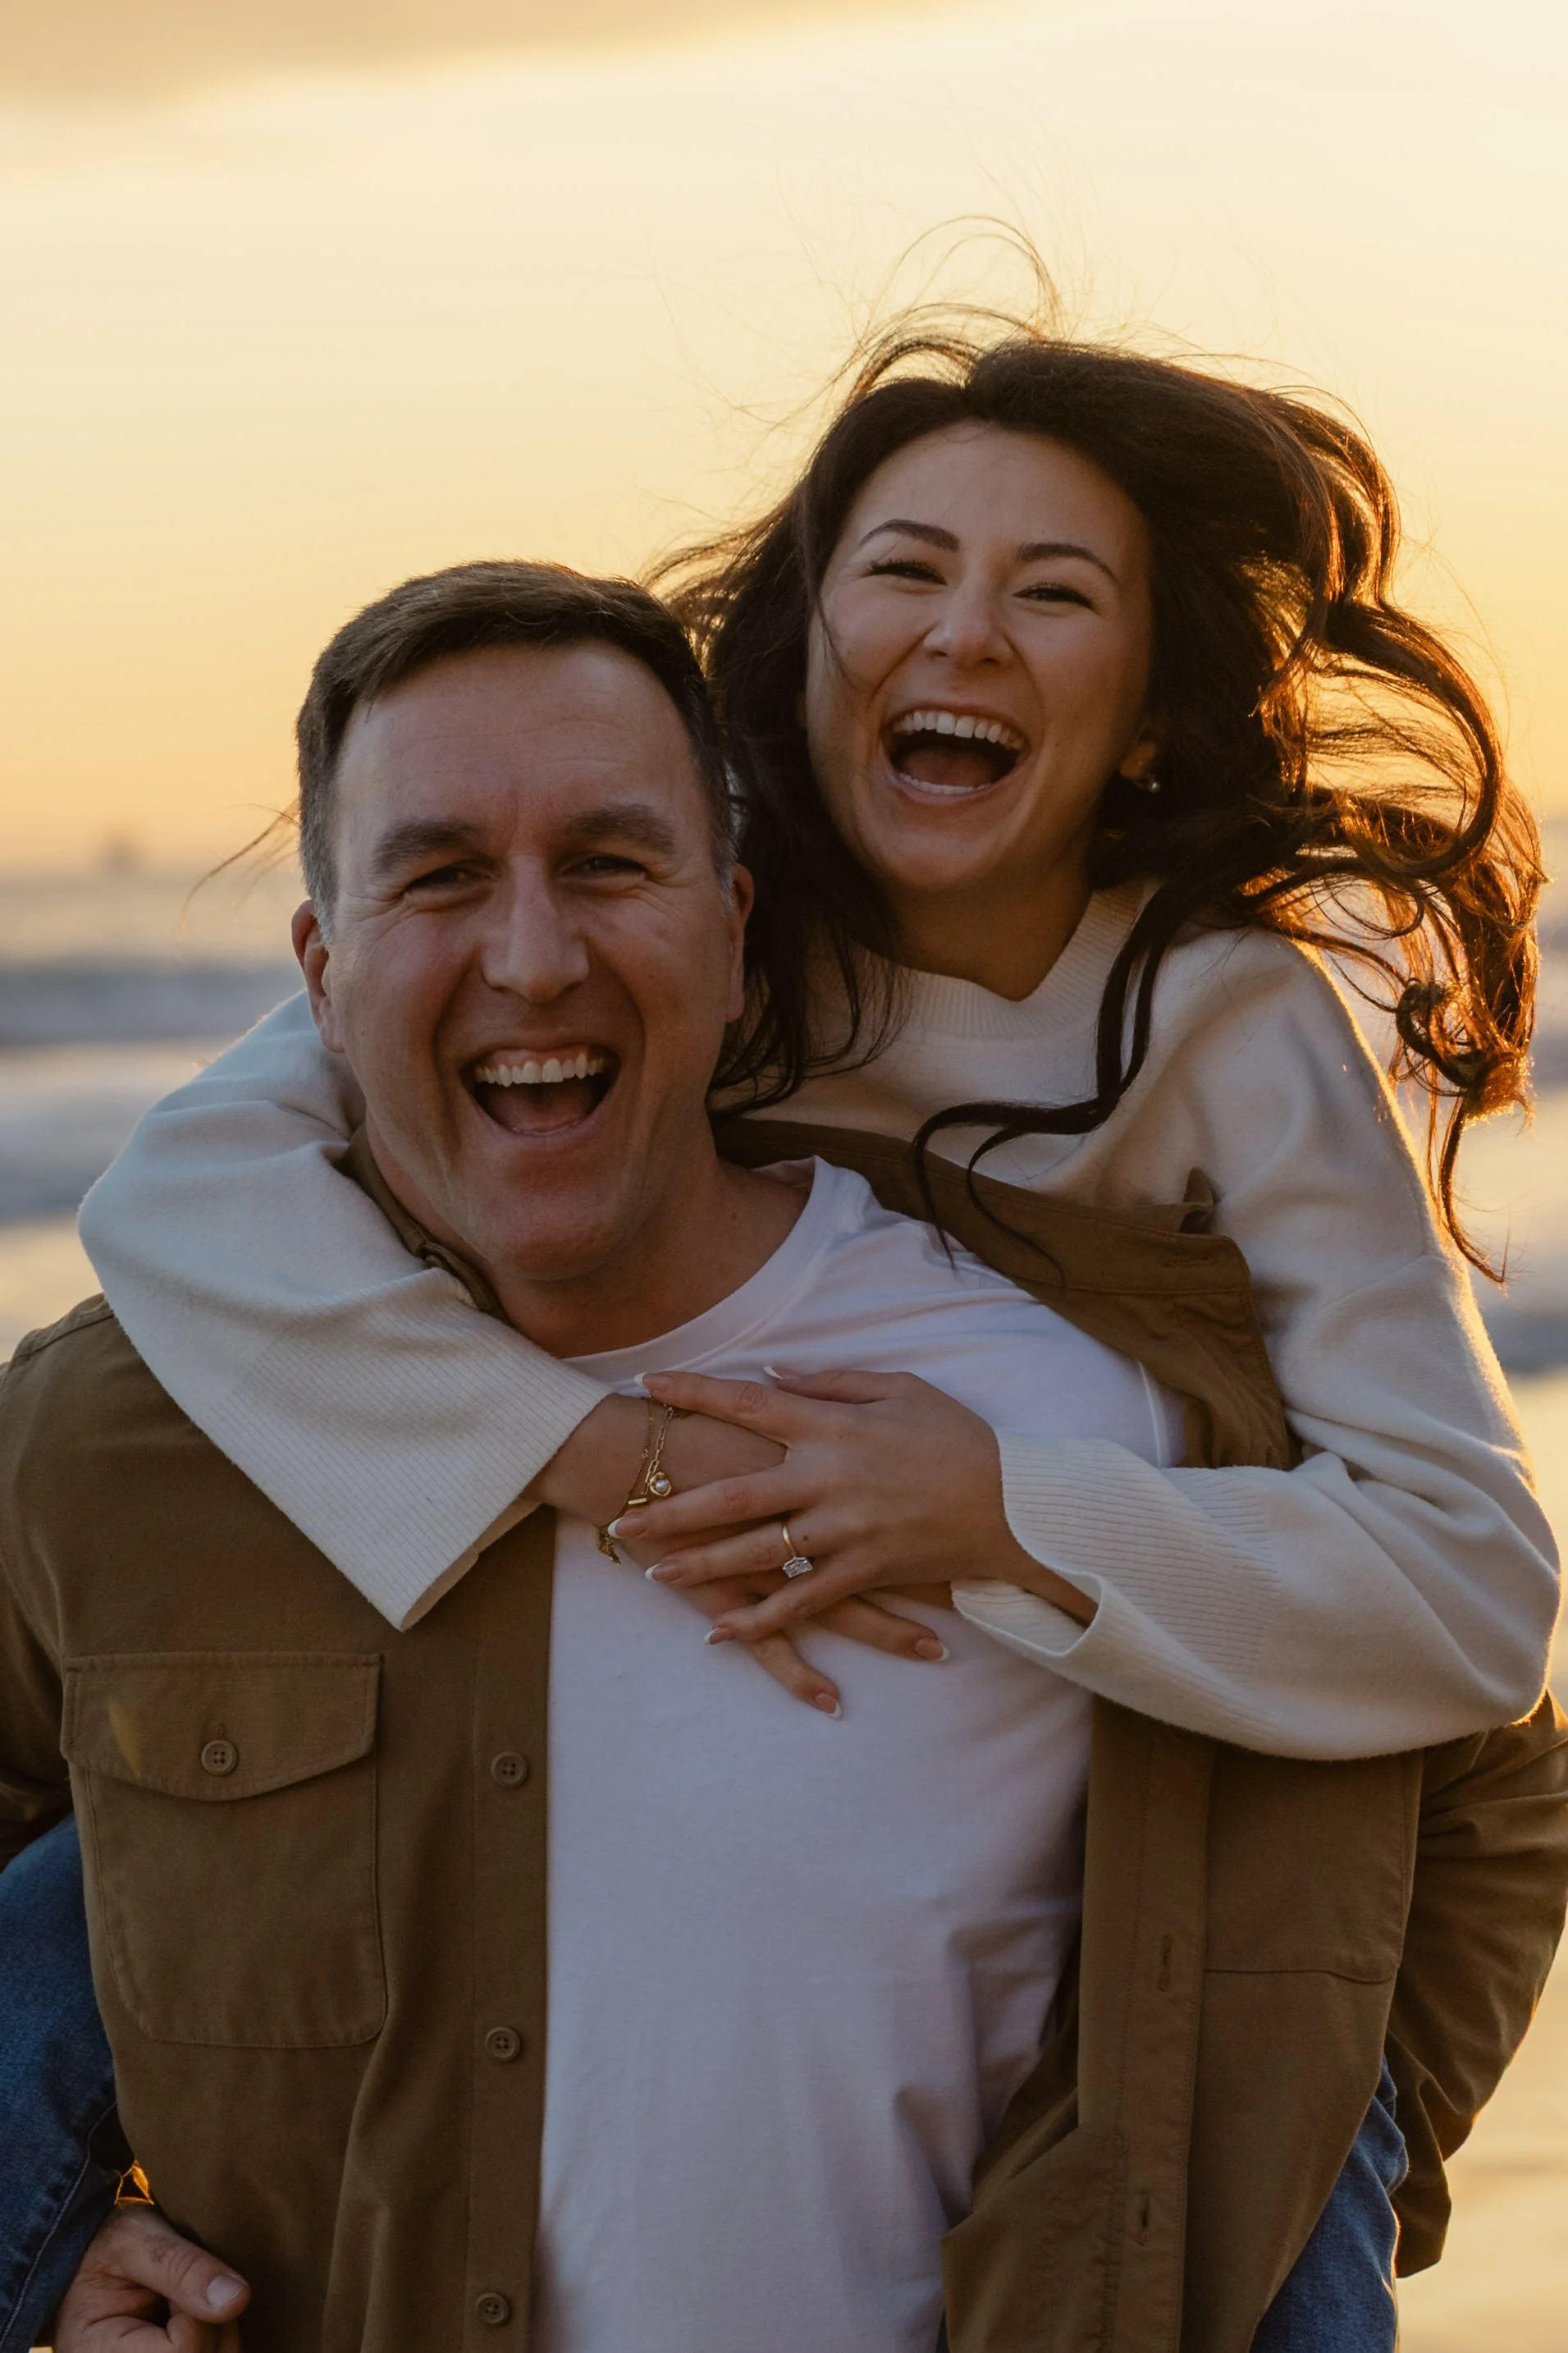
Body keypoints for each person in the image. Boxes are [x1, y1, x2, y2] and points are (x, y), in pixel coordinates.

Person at [5, 302, 1565, 2337]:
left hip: (1057, 1549)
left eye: (1053, 590)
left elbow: (1471, 1615)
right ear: (803, 661)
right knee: (140, 1807)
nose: (965, 632)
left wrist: (1006, 1511)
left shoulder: (1216, 1018)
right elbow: (183, 1188)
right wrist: (582, 1447)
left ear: (1145, 704)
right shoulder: (644, 909)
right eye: (901, 570)